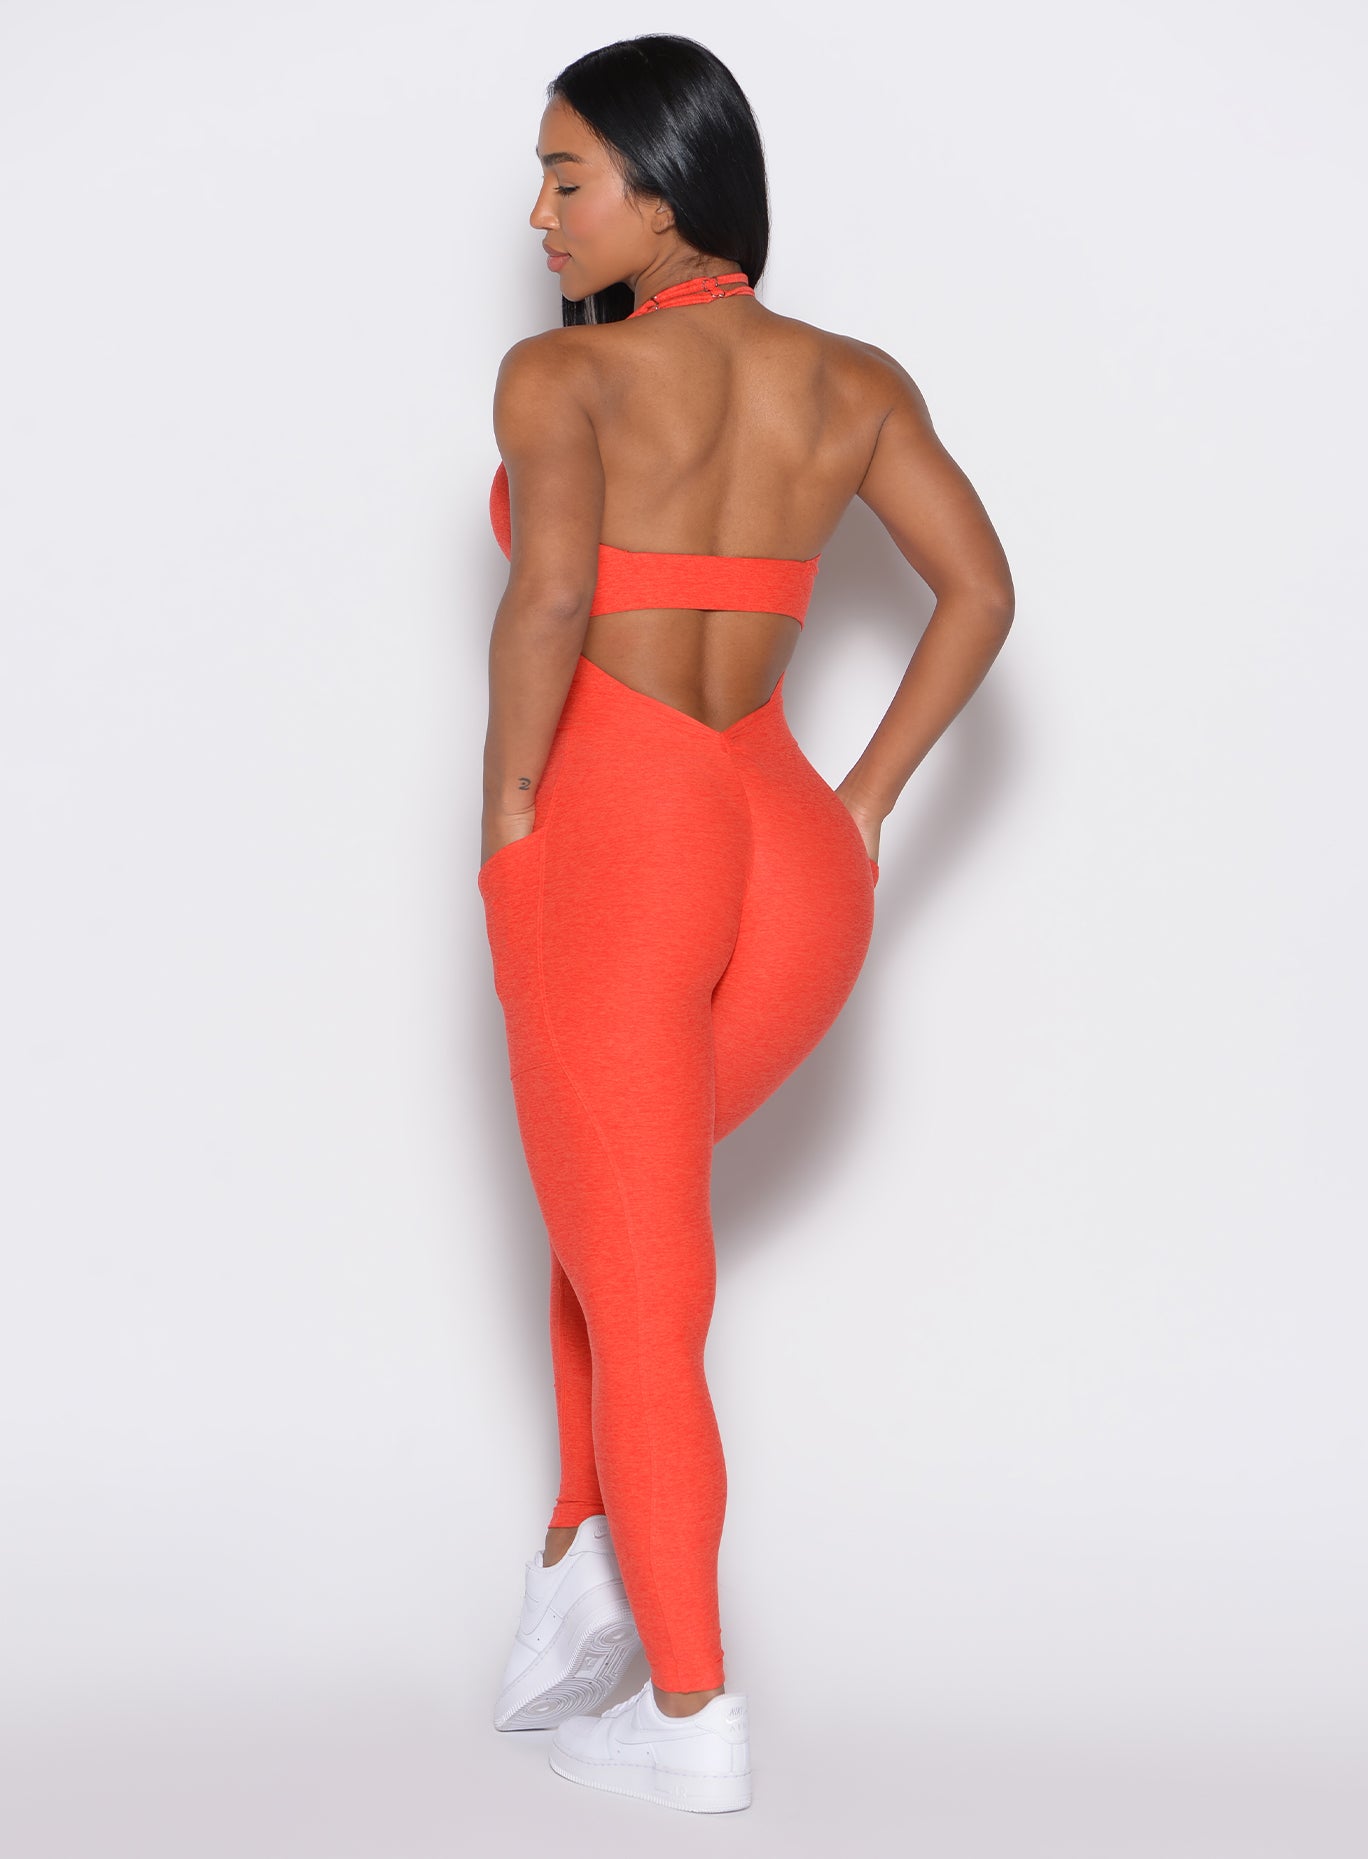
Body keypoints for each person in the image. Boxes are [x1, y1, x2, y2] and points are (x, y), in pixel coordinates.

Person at [478, 35, 1014, 1814]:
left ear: (663, 186)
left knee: (639, 1271)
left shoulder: (563, 379)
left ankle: (690, 1709)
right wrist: (861, 806)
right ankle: (578, 1551)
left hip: (625, 835)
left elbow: (553, 594)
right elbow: (982, 591)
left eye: (568, 176)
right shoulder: (851, 380)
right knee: (617, 1202)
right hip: (789, 847)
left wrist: (508, 825)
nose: (541, 214)